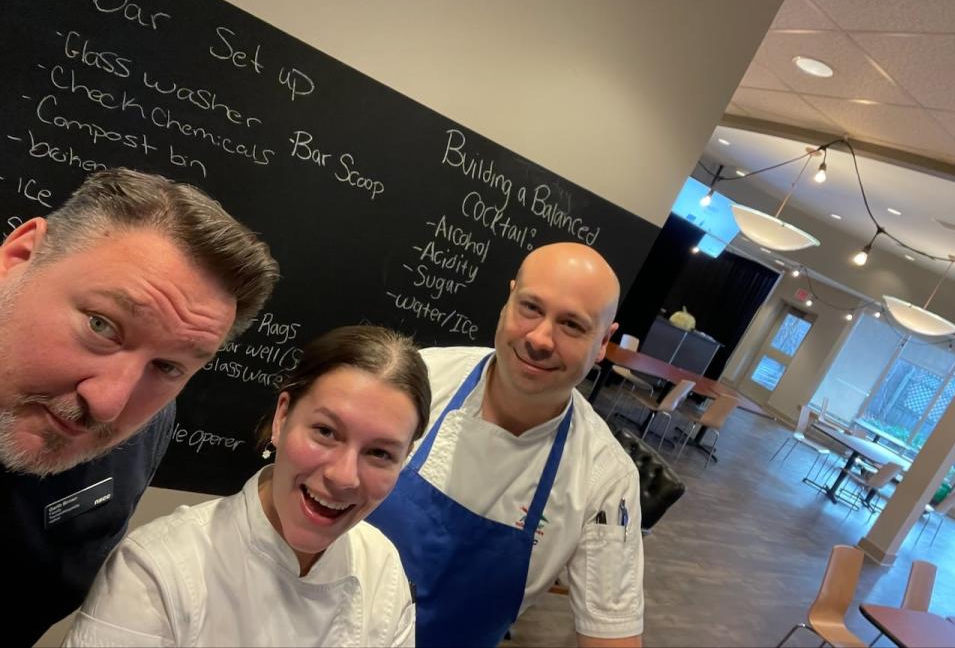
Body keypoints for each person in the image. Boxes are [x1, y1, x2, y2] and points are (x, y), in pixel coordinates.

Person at [0, 168, 278, 645]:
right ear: (18, 256)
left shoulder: (146, 429)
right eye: (102, 326)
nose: (108, 405)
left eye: (167, 367)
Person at [64, 325, 431, 647]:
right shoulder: (155, 572)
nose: (344, 476)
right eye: (325, 432)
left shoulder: (381, 567)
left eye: (380, 453)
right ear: (282, 416)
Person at [368, 242, 645, 648]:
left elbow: (612, 636)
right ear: (508, 299)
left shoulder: (606, 478)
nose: (540, 338)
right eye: (530, 307)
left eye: (572, 324)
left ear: (604, 342)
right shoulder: (421, 379)